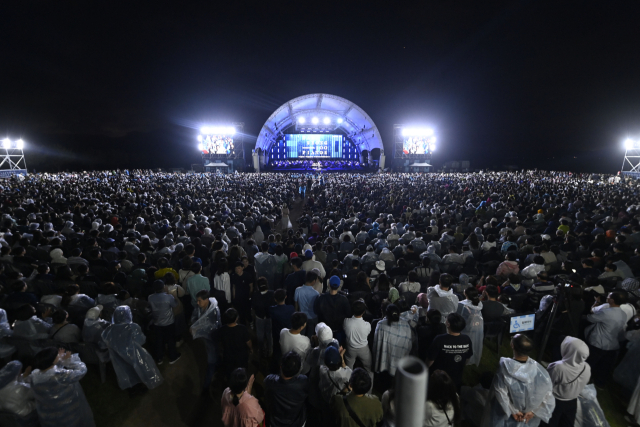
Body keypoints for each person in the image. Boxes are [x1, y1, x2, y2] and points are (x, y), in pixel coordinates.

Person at [486, 334, 555, 427]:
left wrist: (513, 411)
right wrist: (533, 412)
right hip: (527, 418)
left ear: (512, 345)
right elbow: (548, 395)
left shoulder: (505, 367)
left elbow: (500, 391)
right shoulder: (540, 371)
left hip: (506, 414)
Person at [28, 347, 96, 427]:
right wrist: (69, 361)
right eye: (57, 356)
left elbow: (51, 372)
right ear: (52, 361)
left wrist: (59, 360)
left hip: (48, 414)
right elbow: (81, 371)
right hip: (67, 411)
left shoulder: (34, 375)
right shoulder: (60, 375)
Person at [101, 306, 163, 391]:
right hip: (134, 353)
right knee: (140, 368)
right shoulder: (132, 327)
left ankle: (132, 388)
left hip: (117, 356)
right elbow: (141, 340)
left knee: (125, 371)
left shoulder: (108, 330)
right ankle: (142, 384)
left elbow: (104, 343)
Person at [543, 337, 591, 427]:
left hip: (555, 401)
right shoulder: (586, 367)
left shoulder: (559, 367)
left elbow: (546, 384)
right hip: (572, 402)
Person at [584, 290, 627, 388]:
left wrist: (595, 304)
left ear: (612, 300)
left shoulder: (606, 312)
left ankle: (584, 380)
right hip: (612, 345)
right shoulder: (623, 314)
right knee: (603, 367)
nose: (607, 297)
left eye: (608, 296)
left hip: (598, 343)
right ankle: (599, 384)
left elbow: (590, 318)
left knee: (590, 363)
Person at [426, 313, 473, 389]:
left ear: (448, 324)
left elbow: (431, 359)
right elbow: (467, 358)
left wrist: (426, 367)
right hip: (457, 375)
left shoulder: (440, 339)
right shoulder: (466, 339)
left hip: (439, 376)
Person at [264, 351, 309, 427]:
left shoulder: (270, 381)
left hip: (276, 422)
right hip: (297, 422)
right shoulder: (303, 382)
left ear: (281, 366)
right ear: (298, 370)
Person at [190, 289, 221, 393]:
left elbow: (215, 326)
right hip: (206, 338)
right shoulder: (198, 308)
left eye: (199, 301)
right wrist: (195, 326)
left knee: (211, 360)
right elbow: (194, 318)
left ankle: (206, 385)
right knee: (213, 354)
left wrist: (198, 328)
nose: (198, 303)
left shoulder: (214, 310)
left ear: (207, 300)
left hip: (212, 338)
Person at [373, 304, 412, 378]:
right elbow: (409, 344)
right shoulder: (406, 325)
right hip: (399, 362)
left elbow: (376, 343)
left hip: (384, 361)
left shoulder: (381, 324)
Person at [147, 279, 181, 365]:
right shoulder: (168, 297)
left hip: (157, 323)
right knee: (170, 340)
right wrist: (173, 296)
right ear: (163, 287)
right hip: (169, 322)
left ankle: (159, 358)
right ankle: (173, 357)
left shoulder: (150, 297)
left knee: (159, 340)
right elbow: (175, 305)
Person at [314, 275, 352, 344]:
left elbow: (316, 311)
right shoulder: (344, 299)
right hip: (339, 329)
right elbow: (348, 314)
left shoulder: (321, 298)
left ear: (329, 285)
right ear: (339, 286)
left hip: (324, 331)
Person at [0, 360, 38, 425]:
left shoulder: (3, 384)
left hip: (6, 416)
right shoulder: (20, 388)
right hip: (24, 415)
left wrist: (24, 375)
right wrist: (26, 375)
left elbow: (17, 382)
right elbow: (34, 392)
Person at [218, 308, 252, 372]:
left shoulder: (222, 329)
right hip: (241, 357)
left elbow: (220, 343)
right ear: (236, 318)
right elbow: (248, 342)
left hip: (228, 357)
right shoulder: (242, 328)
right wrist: (250, 349)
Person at [456, 286, 483, 366]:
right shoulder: (479, 303)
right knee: (474, 342)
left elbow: (458, 316)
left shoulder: (462, 305)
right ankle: (473, 356)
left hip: (466, 327)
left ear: (465, 294)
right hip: (477, 327)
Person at [343, 299, 372, 372]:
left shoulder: (346, 322)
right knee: (369, 368)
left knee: (348, 369)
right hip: (363, 349)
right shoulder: (367, 325)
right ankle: (370, 382)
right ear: (364, 312)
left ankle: (349, 382)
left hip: (350, 348)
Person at [252, 277, 275, 356]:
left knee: (260, 334)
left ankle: (261, 349)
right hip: (269, 316)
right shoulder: (272, 293)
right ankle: (270, 349)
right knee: (269, 334)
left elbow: (253, 307)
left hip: (259, 317)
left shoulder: (255, 295)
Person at [269, 289, 295, 358]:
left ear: (275, 299)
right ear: (285, 297)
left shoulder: (272, 310)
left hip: (277, 334)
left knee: (276, 350)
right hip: (289, 333)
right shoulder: (291, 308)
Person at [295, 270, 320, 336]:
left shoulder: (298, 290)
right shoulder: (316, 293)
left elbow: (296, 304)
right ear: (314, 281)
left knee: (301, 335)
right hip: (313, 318)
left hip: (301, 317)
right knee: (311, 336)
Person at [231, 261, 254, 325]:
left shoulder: (247, 275)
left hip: (246, 297)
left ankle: (250, 321)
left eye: (238, 268)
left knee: (248, 311)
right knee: (240, 312)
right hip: (238, 298)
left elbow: (251, 286)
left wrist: (250, 295)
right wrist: (234, 296)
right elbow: (234, 287)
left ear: (242, 268)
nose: (237, 270)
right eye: (236, 268)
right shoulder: (233, 276)